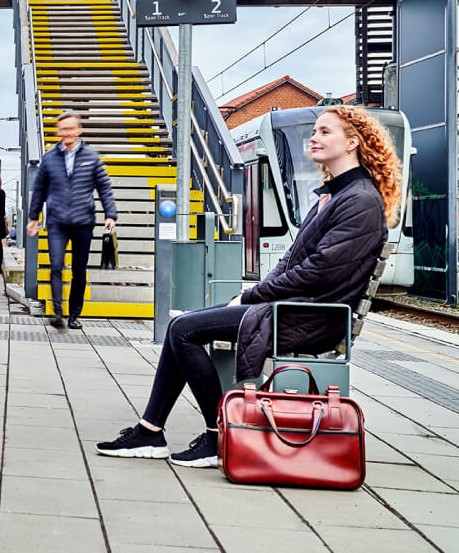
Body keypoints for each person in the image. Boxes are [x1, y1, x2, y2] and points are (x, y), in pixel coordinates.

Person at [95, 106, 401, 468]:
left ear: (352, 143)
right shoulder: (336, 197)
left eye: (324, 132)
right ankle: (150, 432)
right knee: (185, 324)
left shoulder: (359, 202)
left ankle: (217, 435)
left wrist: (253, 295)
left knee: (183, 330)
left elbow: (320, 273)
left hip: (312, 319)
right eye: (314, 131)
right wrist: (255, 293)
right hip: (299, 310)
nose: (313, 138)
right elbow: (292, 263)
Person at [26, 110, 117, 329]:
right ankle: (57, 312)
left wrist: (110, 214)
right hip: (57, 221)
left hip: (83, 222)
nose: (65, 133)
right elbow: (38, 190)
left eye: (69, 128)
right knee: (56, 265)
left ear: (78, 130)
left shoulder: (91, 157)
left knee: (79, 270)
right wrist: (33, 217)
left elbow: (104, 187)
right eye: (62, 129)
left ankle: (74, 314)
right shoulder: (49, 158)